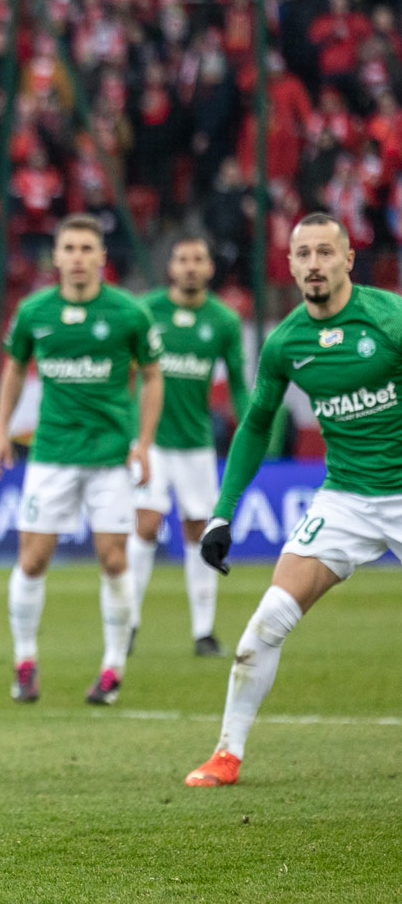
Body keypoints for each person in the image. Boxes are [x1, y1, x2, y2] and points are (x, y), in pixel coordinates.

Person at [187, 213, 402, 787]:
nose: (314, 264)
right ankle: (226, 755)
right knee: (266, 622)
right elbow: (256, 425)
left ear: (348, 259)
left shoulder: (389, 318)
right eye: (302, 254)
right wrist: (222, 513)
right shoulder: (286, 342)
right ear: (289, 264)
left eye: (325, 253)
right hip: (347, 500)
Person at [0, 213, 163, 706]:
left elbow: (152, 376)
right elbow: (15, 368)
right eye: (70, 249)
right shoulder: (34, 312)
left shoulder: (128, 313)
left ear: (102, 258)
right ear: (56, 257)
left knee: (113, 558)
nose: (78, 258)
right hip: (53, 455)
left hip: (110, 457)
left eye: (88, 249)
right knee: (32, 557)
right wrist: (0, 430)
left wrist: (143, 442)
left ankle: (112, 669)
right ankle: (24, 662)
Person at [126, 236, 249, 657]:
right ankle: (128, 623)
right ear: (171, 266)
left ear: (210, 268)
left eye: (199, 258)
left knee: (199, 531)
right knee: (145, 524)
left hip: (196, 443)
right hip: (152, 441)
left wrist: (252, 428)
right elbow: (127, 372)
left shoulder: (224, 321)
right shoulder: (147, 312)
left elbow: (237, 383)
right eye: (182, 259)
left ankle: (203, 632)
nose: (191, 266)